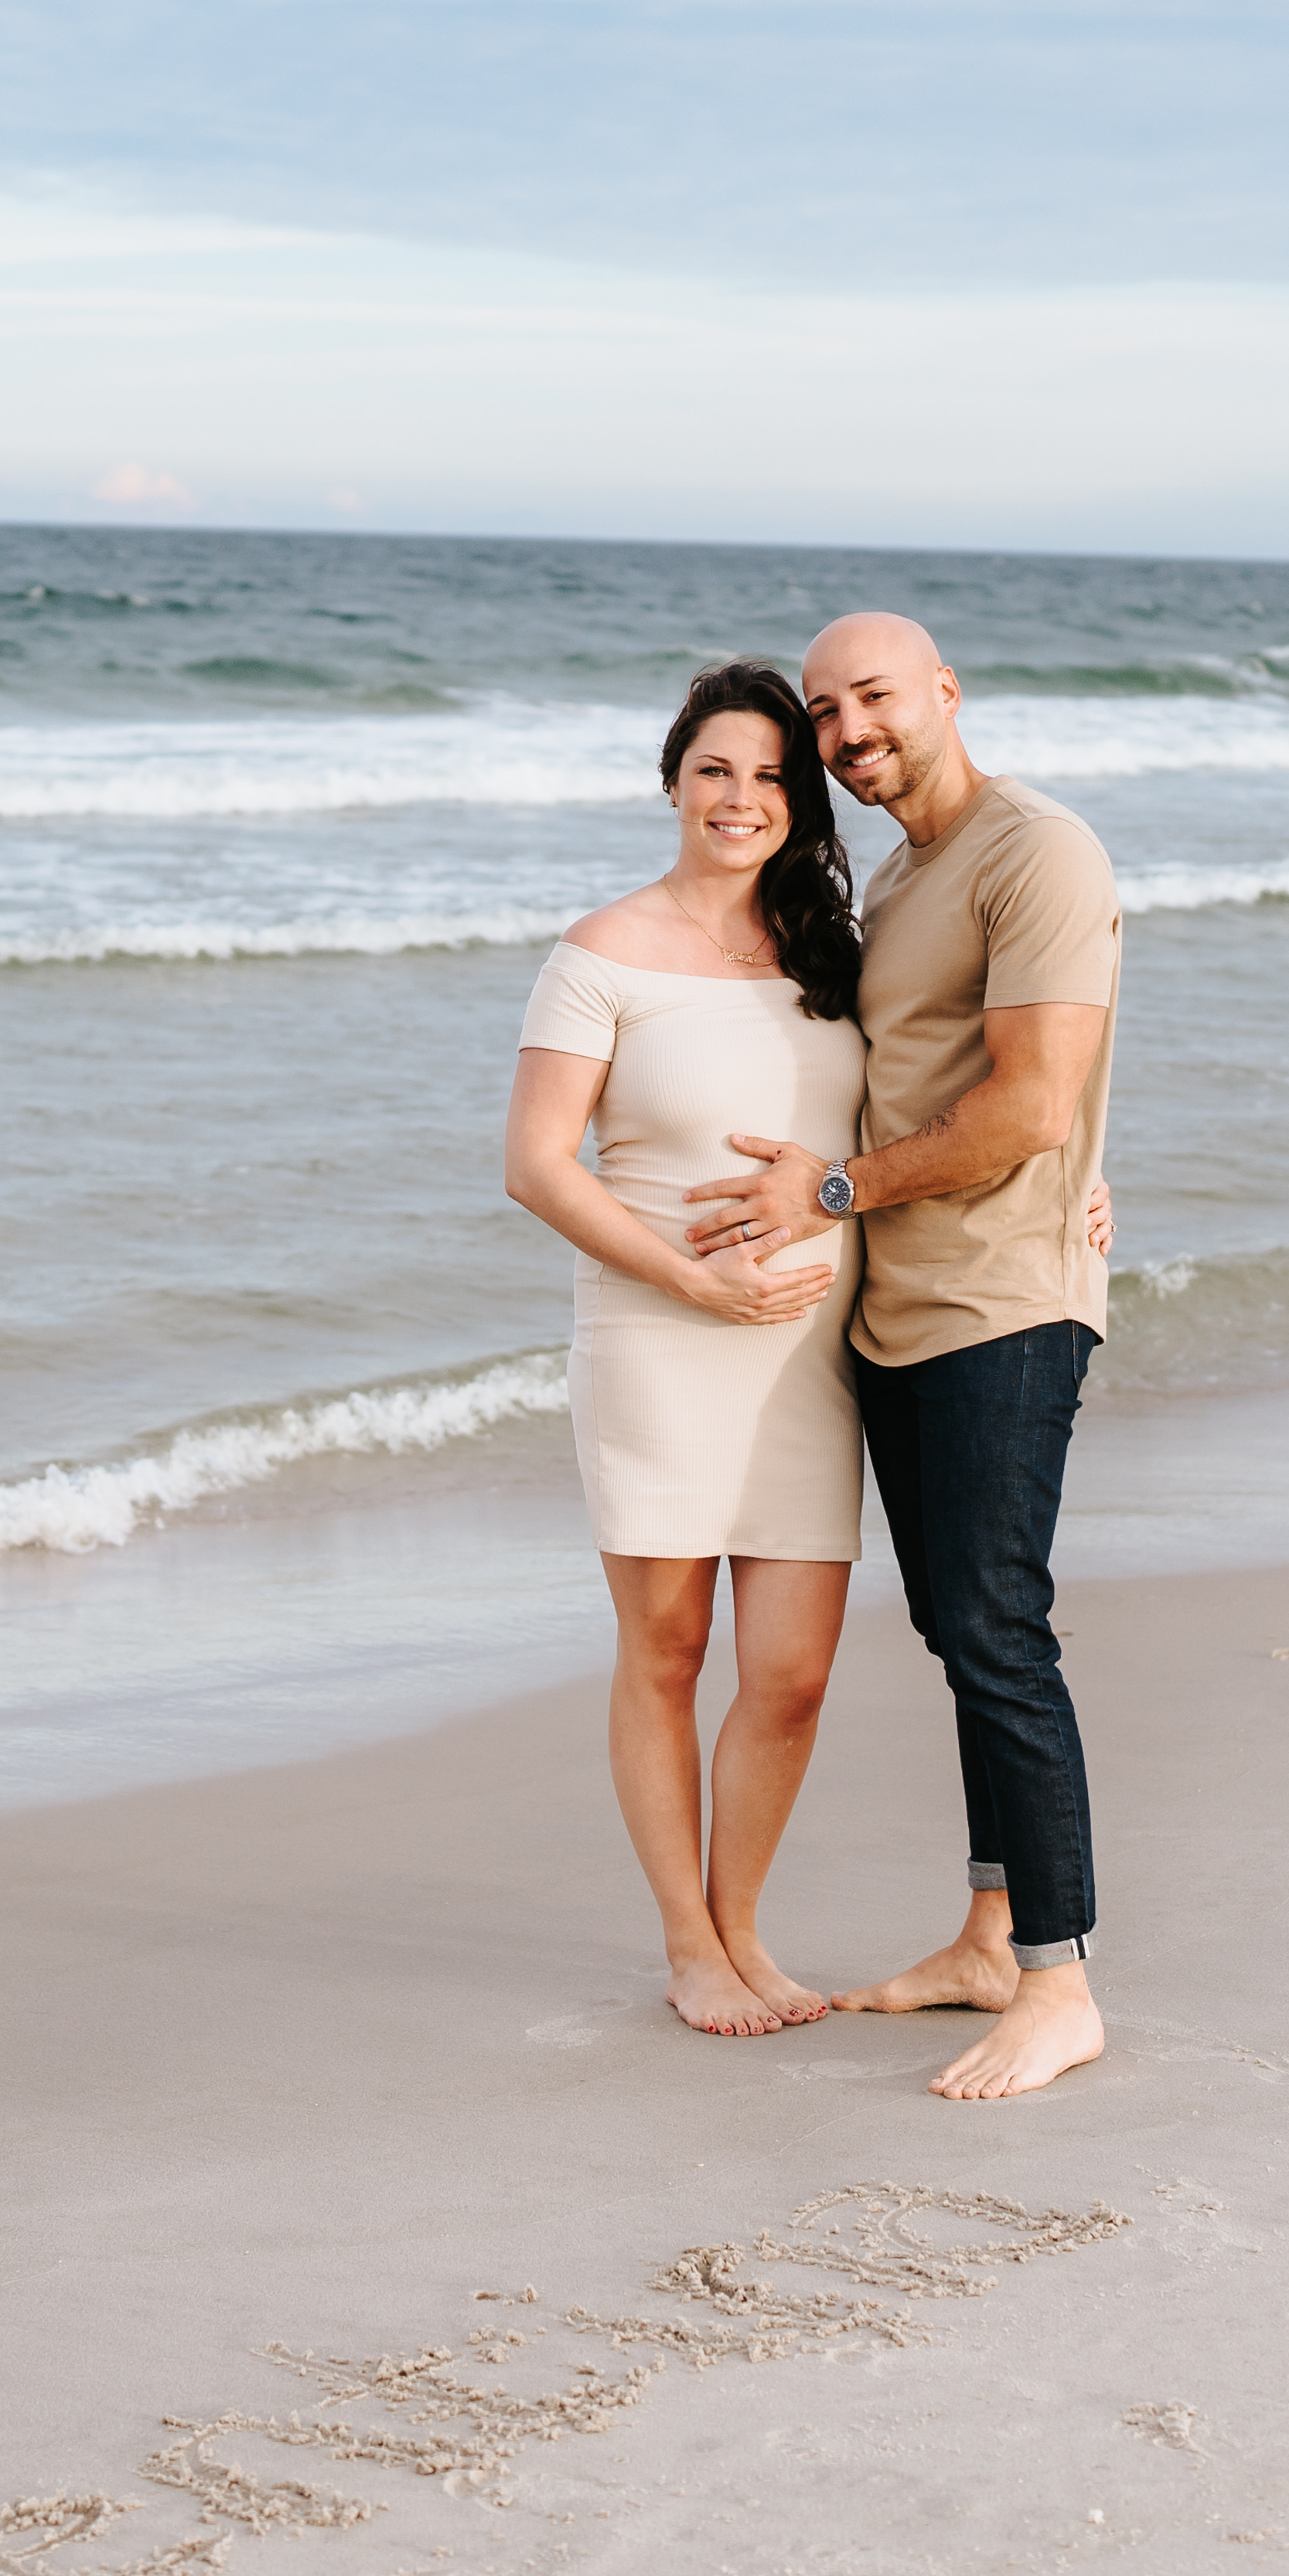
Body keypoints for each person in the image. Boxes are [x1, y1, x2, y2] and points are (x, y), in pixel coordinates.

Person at [687, 611, 1122, 2100]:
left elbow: (1033, 1104)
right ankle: (995, 1935)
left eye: (872, 695)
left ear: (945, 692)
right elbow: (966, 1077)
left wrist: (826, 1193)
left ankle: (1061, 1982)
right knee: (955, 1625)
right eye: (822, 712)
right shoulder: (908, 867)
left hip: (1003, 1299)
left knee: (1000, 1629)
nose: (847, 729)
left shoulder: (1035, 849)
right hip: (901, 1307)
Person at [503, 663, 869, 2036]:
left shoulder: (834, 959)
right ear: (673, 781)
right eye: (718, 769)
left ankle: (747, 1926)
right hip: (659, 1333)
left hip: (806, 1360)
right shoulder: (601, 951)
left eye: (775, 775)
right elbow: (537, 1166)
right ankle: (691, 1946)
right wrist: (688, 1284)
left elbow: (945, 1103)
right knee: (666, 1650)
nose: (744, 797)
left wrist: (1075, 1178)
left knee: (792, 1670)